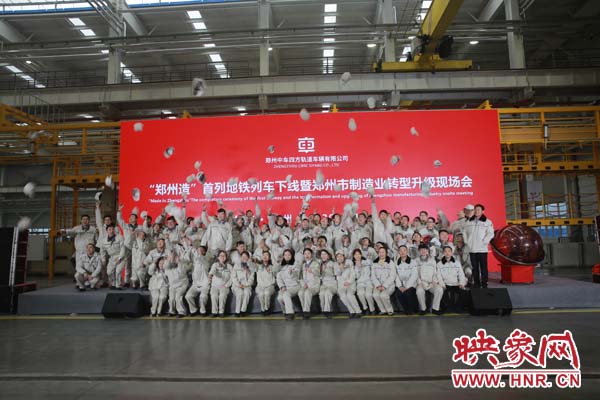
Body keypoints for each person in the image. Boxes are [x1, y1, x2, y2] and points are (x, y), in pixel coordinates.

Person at [463, 203, 494, 288]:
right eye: (475, 210)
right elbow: (464, 232)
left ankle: (484, 283)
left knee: (483, 267)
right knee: (474, 267)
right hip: (472, 249)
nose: (476, 211)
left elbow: (490, 233)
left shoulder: (487, 222)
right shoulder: (469, 221)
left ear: (483, 211)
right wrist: (467, 241)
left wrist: (484, 242)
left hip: (482, 249)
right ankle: (476, 283)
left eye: (478, 210)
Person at [64, 213, 98, 280]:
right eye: (83, 219)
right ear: (81, 220)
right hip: (79, 252)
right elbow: (69, 234)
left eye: (87, 219)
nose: (85, 221)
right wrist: (64, 232)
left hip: (90, 252)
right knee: (79, 266)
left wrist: (97, 250)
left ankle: (90, 279)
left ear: (89, 220)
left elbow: (97, 240)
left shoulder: (93, 229)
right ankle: (79, 280)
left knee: (90, 266)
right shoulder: (76, 228)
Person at [415, 244, 444, 315]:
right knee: (419, 291)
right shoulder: (416, 261)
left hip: (432, 283)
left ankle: (435, 309)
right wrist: (420, 282)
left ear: (427, 250)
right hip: (421, 283)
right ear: (419, 251)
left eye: (425, 249)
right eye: (421, 250)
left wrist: (434, 281)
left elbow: (435, 272)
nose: (423, 251)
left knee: (439, 290)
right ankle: (423, 309)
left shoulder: (432, 260)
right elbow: (415, 273)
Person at [437, 245, 468, 313]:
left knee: (464, 292)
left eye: (449, 251)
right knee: (442, 291)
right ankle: (448, 308)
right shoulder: (439, 264)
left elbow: (461, 274)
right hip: (446, 284)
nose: (447, 253)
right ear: (443, 253)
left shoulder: (457, 263)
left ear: (451, 253)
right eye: (445, 251)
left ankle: (458, 308)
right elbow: (439, 276)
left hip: (455, 284)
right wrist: (443, 285)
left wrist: (461, 284)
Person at [184, 245, 212, 316]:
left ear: (204, 252)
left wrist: (195, 251)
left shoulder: (206, 260)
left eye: (200, 250)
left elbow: (200, 258)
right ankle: (193, 310)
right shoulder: (194, 262)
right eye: (198, 250)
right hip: (195, 284)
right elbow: (187, 259)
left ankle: (203, 311)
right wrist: (189, 247)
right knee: (188, 296)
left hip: (205, 284)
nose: (198, 251)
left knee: (203, 296)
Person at [335, 251, 361, 318]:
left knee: (349, 295)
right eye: (338, 256)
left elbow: (353, 273)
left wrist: (349, 282)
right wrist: (341, 269)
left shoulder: (349, 262)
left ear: (344, 257)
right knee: (343, 296)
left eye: (341, 256)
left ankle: (358, 311)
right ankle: (352, 311)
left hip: (351, 283)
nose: (339, 258)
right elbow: (337, 276)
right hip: (342, 285)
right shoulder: (335, 265)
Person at [371, 247, 396, 316]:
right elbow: (373, 276)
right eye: (380, 252)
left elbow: (392, 276)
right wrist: (378, 285)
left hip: (389, 285)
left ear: (386, 253)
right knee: (375, 295)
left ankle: (390, 310)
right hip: (378, 285)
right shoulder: (374, 263)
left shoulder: (390, 263)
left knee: (383, 295)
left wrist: (384, 286)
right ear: (378, 253)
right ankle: (383, 310)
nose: (381, 254)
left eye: (383, 252)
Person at [394, 245, 419, 315]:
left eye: (404, 250)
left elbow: (414, 275)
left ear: (407, 251)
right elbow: (396, 275)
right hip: (401, 285)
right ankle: (407, 310)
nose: (402, 252)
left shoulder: (413, 262)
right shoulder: (396, 263)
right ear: (398, 252)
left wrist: (407, 286)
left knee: (408, 293)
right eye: (400, 251)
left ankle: (415, 309)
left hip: (411, 284)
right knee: (399, 293)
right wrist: (399, 286)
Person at [276, 251, 301, 320]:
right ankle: (285, 312)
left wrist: (291, 272)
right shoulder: (281, 266)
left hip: (294, 286)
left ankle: (290, 313)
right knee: (279, 298)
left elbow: (297, 274)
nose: (287, 256)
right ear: (283, 256)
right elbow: (278, 278)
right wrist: (282, 286)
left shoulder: (296, 264)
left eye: (289, 255)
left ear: (292, 256)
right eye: (285, 255)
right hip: (285, 287)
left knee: (286, 294)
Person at [208, 250, 233, 317]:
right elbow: (212, 271)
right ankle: (214, 312)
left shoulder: (229, 266)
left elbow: (233, 277)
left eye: (224, 256)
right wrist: (210, 275)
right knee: (214, 296)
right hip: (215, 286)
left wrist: (227, 285)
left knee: (222, 296)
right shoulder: (215, 265)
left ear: (226, 257)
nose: (222, 257)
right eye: (221, 256)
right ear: (218, 257)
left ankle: (221, 312)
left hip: (224, 286)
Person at [164, 253, 190, 318]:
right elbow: (166, 266)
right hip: (172, 286)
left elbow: (182, 273)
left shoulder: (182, 265)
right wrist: (169, 259)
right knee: (171, 298)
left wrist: (179, 263)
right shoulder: (167, 267)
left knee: (178, 297)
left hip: (182, 284)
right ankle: (171, 311)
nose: (172, 260)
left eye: (174, 258)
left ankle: (182, 312)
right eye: (171, 258)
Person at [101, 224, 126, 289]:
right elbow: (102, 251)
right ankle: (113, 283)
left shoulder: (120, 237)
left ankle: (118, 285)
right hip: (112, 257)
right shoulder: (104, 240)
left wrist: (119, 258)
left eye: (112, 229)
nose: (111, 231)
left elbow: (123, 248)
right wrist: (103, 259)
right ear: (107, 231)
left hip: (121, 256)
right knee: (109, 272)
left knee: (118, 271)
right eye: (109, 230)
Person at [298, 248, 321, 319]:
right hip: (305, 286)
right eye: (305, 254)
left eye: (308, 253)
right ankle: (305, 310)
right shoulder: (303, 265)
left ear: (312, 255)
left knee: (307, 292)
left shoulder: (316, 263)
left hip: (314, 285)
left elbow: (318, 273)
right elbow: (300, 277)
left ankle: (306, 312)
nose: (307, 255)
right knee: (300, 293)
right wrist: (303, 284)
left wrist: (312, 270)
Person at [231, 251, 255, 317]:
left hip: (247, 285)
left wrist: (246, 284)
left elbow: (252, 278)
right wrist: (239, 284)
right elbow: (233, 277)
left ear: (248, 258)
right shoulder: (236, 265)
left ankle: (243, 310)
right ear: (241, 257)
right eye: (243, 256)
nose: (244, 258)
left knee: (247, 293)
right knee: (240, 293)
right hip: (237, 285)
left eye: (246, 256)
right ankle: (237, 311)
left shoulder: (251, 266)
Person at [353, 249, 375, 315]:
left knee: (368, 295)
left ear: (361, 255)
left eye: (358, 254)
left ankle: (372, 309)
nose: (357, 256)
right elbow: (356, 277)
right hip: (360, 283)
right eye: (356, 254)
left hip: (368, 282)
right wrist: (358, 267)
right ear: (354, 256)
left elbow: (372, 265)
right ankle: (365, 308)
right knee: (360, 294)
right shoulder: (353, 265)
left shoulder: (366, 261)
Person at [255, 250, 276, 315]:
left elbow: (277, 273)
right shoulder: (258, 266)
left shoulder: (272, 267)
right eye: (263, 255)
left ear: (269, 258)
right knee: (261, 294)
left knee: (267, 293)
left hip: (270, 286)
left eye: (267, 255)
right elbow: (251, 265)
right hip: (260, 286)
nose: (265, 256)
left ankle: (267, 308)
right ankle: (262, 309)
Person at [318, 250, 337, 319]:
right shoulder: (320, 264)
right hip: (324, 284)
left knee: (327, 293)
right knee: (321, 294)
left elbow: (336, 274)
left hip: (332, 283)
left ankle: (327, 311)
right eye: (322, 254)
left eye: (325, 254)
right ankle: (323, 310)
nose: (323, 256)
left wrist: (326, 270)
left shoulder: (333, 263)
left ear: (328, 256)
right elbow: (319, 276)